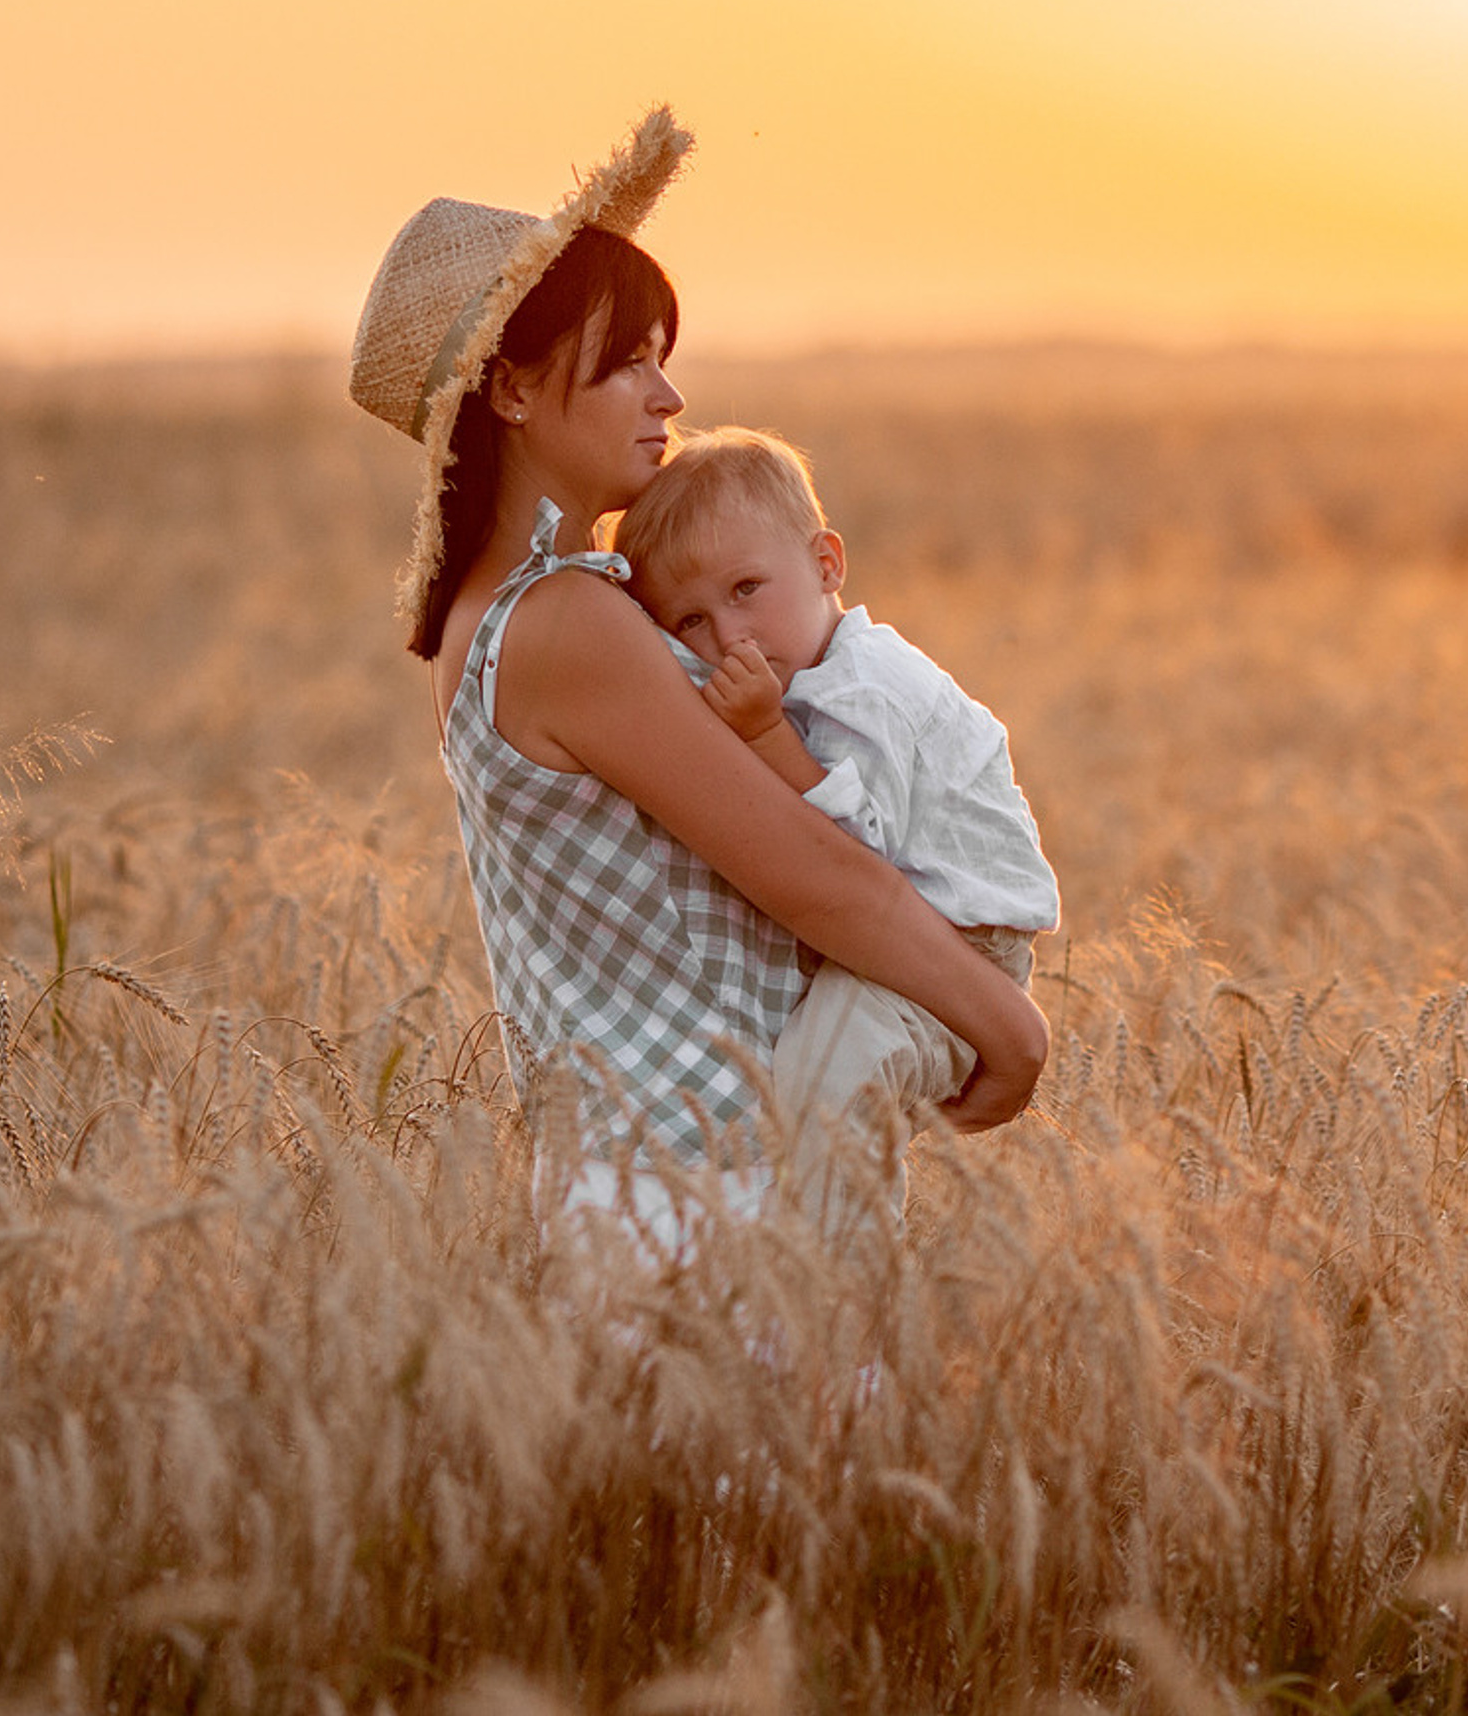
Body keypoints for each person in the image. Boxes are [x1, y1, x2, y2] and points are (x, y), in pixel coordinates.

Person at [347, 107, 1047, 1236]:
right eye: (626, 364)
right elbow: (815, 873)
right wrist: (1009, 1028)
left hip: (658, 1179)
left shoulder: (517, 613)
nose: (669, 399)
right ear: (513, 392)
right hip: (707, 1196)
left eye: (660, 362)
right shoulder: (567, 622)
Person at [615, 427, 1060, 1223]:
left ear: (827, 564)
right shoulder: (807, 670)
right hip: (902, 934)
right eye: (688, 622)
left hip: (955, 947)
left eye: (746, 588)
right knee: (817, 1093)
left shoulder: (865, 691)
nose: (728, 637)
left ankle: (836, 1306)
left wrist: (764, 738)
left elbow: (856, 862)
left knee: (829, 1079)